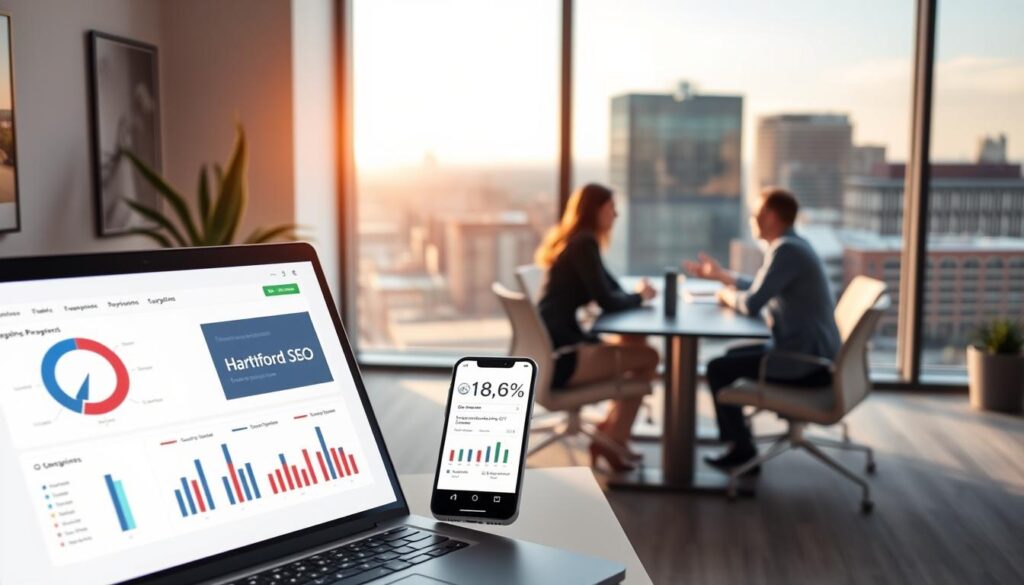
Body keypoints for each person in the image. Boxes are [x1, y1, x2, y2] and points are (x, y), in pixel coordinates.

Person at [683, 187, 841, 471]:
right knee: (731, 355)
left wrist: (725, 295)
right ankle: (739, 439)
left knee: (719, 368)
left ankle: (741, 450)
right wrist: (722, 277)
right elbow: (760, 287)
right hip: (812, 355)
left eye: (755, 212)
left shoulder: (786, 250)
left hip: (805, 363)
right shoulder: (793, 246)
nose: (751, 218)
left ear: (769, 216)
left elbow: (753, 302)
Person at [535, 183, 660, 472]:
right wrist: (640, 296)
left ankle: (611, 433)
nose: (616, 215)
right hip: (563, 361)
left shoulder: (580, 242)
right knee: (650, 357)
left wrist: (635, 293)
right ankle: (612, 439)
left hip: (555, 355)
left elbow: (610, 287)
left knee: (636, 345)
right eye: (611, 208)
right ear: (596, 210)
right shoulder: (583, 244)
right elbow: (607, 299)